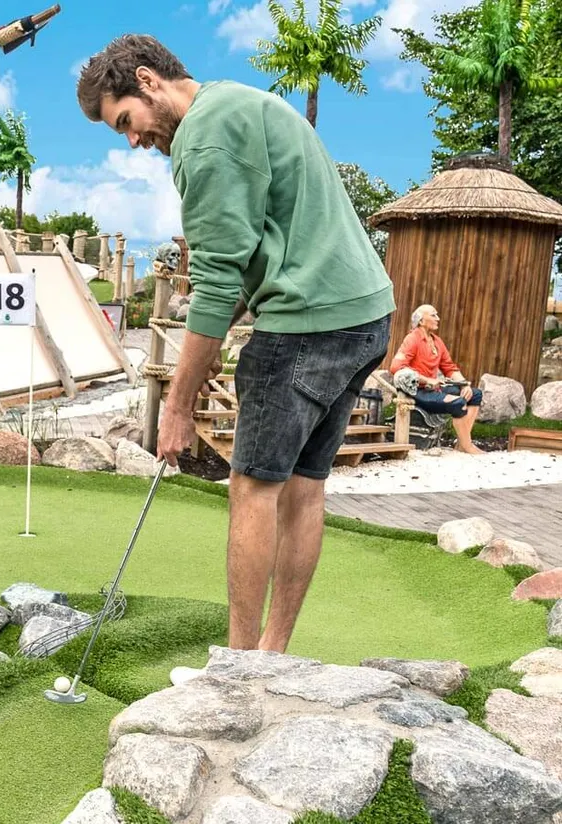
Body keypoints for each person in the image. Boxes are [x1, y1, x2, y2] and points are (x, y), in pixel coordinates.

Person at [75, 36, 395, 677]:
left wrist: (178, 405)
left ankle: (237, 673)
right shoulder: (240, 103)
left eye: (127, 123)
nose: (134, 141)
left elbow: (217, 284)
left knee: (252, 488)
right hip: (365, 313)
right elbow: (257, 242)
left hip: (306, 323)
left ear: (149, 81)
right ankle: (271, 659)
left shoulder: (207, 134)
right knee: (303, 487)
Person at [389, 304, 484, 454]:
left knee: (475, 394)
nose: (438, 318)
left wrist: (464, 384)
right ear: (421, 321)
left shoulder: (437, 341)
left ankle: (462, 444)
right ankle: (468, 447)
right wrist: (427, 380)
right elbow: (395, 367)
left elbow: (449, 367)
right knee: (458, 403)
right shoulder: (412, 339)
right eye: (433, 315)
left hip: (434, 390)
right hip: (418, 392)